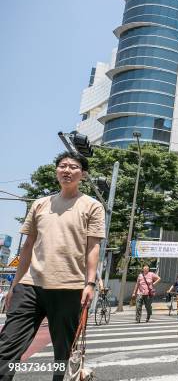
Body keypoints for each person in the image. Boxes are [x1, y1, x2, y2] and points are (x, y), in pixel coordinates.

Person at [0, 151, 105, 381]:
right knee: (6, 347)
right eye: (63, 166)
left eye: (74, 167)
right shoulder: (39, 204)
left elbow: (93, 248)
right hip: (30, 285)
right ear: (57, 171)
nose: (67, 170)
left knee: (63, 354)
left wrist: (90, 283)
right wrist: (15, 285)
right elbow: (27, 247)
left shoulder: (92, 206)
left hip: (69, 287)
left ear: (83, 174)